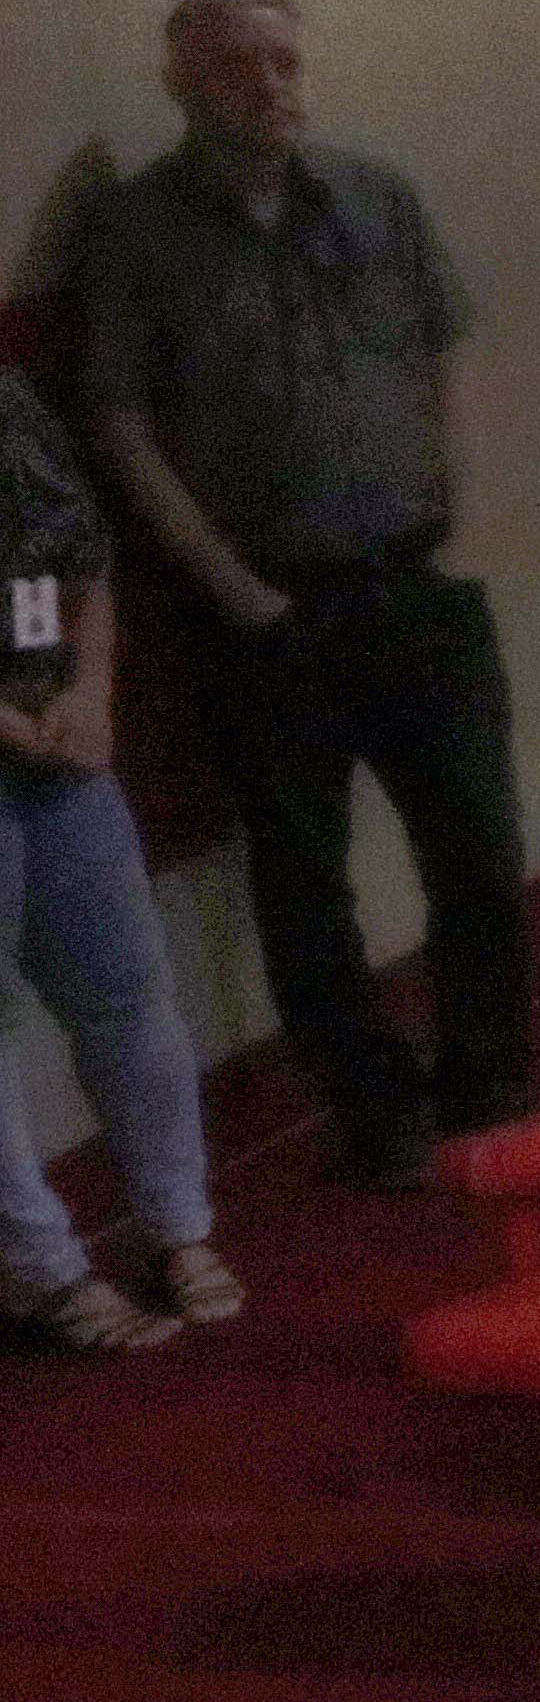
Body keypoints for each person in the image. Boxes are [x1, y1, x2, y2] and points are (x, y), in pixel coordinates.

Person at [69, 0, 532, 1188]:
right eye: (237, 65)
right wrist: (238, 591)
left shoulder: (375, 194)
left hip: (414, 581)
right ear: (181, 81)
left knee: (478, 847)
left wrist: (464, 528)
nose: (270, 85)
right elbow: (120, 424)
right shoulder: (137, 233)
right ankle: (376, 1109)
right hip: (267, 610)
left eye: (285, 61)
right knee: (305, 882)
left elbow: (444, 358)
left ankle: (488, 1077)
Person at [0, 364, 227, 1347]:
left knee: (128, 993)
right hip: (18, 732)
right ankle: (45, 1272)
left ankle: (178, 1230)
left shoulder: (8, 399)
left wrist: (90, 695)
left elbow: (84, 554)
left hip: (61, 744)